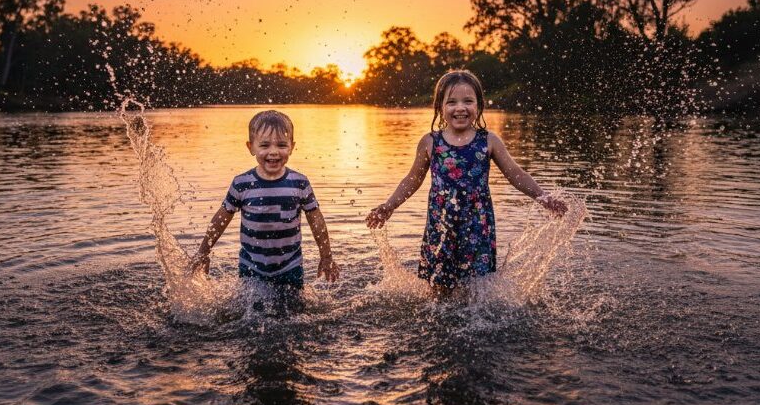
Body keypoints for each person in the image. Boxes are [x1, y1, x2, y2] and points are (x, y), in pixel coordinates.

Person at [365, 70, 567, 292]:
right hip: (441, 225)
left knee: (476, 287)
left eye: (468, 101)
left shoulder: (488, 141)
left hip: (477, 225)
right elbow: (413, 179)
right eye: (451, 102)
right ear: (440, 107)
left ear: (479, 106)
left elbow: (514, 173)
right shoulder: (431, 142)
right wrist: (389, 205)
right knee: (439, 287)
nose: (460, 108)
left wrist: (543, 197)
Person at [191, 110, 339, 290]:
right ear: (251, 147)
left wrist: (326, 256)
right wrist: (203, 251)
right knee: (249, 314)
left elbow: (316, 219)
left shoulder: (299, 183)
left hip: (290, 266)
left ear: (292, 146)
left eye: (282, 145)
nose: (274, 152)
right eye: (265, 145)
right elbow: (221, 219)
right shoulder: (242, 184)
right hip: (251, 266)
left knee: (294, 314)